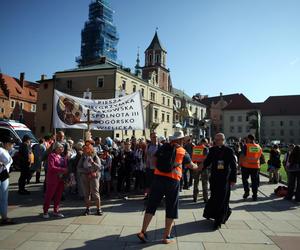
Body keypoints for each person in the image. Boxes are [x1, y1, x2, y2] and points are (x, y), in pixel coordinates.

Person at [137, 131, 197, 244]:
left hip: (158, 179)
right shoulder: (182, 151)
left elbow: (154, 160)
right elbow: (191, 166)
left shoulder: (163, 147)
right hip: (173, 182)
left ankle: (143, 232)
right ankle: (166, 236)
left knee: (151, 205)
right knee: (171, 207)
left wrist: (161, 168)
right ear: (180, 140)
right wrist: (196, 165)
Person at [203, 133, 237, 230]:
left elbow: (233, 166)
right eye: (216, 139)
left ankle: (218, 222)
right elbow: (207, 161)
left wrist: (233, 179)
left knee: (222, 200)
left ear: (223, 140)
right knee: (214, 197)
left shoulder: (229, 151)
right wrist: (199, 168)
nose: (217, 141)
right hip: (214, 178)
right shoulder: (212, 150)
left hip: (224, 179)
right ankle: (224, 212)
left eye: (219, 139)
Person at [43, 142, 68, 218]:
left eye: (62, 147)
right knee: (49, 195)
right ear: (56, 148)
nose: (62, 148)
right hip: (52, 179)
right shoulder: (51, 156)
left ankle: (56, 211)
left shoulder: (62, 157)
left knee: (58, 195)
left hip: (61, 179)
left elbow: (66, 167)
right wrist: (63, 169)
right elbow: (51, 167)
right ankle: (45, 211)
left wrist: (66, 161)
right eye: (60, 147)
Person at [77, 141, 103, 216]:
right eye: (84, 150)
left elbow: (99, 167)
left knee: (95, 193)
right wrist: (86, 171)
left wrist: (93, 163)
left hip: (94, 178)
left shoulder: (95, 157)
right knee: (86, 194)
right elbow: (78, 168)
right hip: (85, 177)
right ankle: (87, 209)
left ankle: (98, 209)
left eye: (87, 150)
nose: (85, 152)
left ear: (91, 150)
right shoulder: (82, 157)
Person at [240, 134, 262, 201]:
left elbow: (242, 155)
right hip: (255, 166)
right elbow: (259, 156)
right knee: (254, 181)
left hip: (246, 166)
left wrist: (240, 163)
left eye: (247, 139)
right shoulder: (258, 147)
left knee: (244, 179)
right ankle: (255, 195)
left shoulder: (246, 146)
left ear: (249, 139)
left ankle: (247, 191)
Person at [0, 136, 15, 225]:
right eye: (11, 144)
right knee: (2, 198)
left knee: (4, 198)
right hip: (1, 175)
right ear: (5, 144)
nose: (12, 145)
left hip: (4, 176)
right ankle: (4, 217)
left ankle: (4, 217)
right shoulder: (1, 150)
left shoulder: (6, 151)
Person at [191, 138, 209, 202]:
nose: (207, 144)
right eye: (206, 142)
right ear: (204, 142)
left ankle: (195, 197)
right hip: (203, 166)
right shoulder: (205, 149)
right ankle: (205, 198)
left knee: (196, 182)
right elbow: (207, 158)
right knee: (205, 182)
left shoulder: (195, 148)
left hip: (196, 166)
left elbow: (193, 157)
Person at [144, 132, 159, 198]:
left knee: (156, 183)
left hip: (157, 168)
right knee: (148, 182)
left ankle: (156, 196)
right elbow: (145, 155)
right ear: (150, 138)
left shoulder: (160, 145)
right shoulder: (148, 145)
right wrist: (145, 163)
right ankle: (148, 195)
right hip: (149, 167)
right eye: (153, 137)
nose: (155, 138)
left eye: (156, 137)